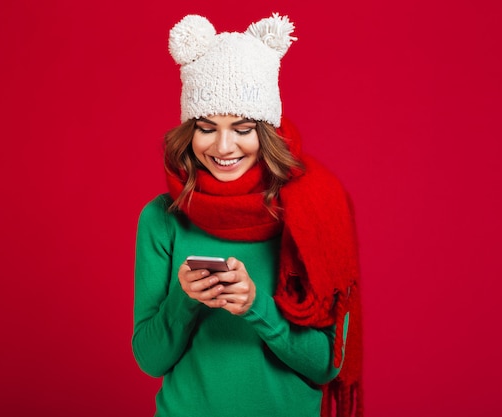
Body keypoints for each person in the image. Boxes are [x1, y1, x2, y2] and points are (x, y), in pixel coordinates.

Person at [132, 13, 363, 417]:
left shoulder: (315, 212)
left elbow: (328, 364)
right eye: (206, 127)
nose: (223, 146)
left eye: (242, 128)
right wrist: (185, 299)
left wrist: (257, 305)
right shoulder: (161, 218)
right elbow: (150, 360)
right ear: (189, 131)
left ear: (267, 131)